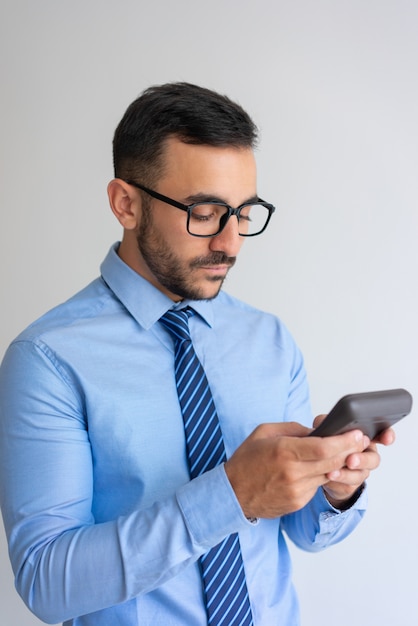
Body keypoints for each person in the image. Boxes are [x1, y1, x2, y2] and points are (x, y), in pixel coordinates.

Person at [0, 82, 393, 626]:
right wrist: (229, 495)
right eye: (205, 212)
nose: (230, 243)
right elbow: (47, 581)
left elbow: (303, 531)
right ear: (126, 203)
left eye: (244, 212)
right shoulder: (48, 359)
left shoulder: (269, 340)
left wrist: (337, 488)